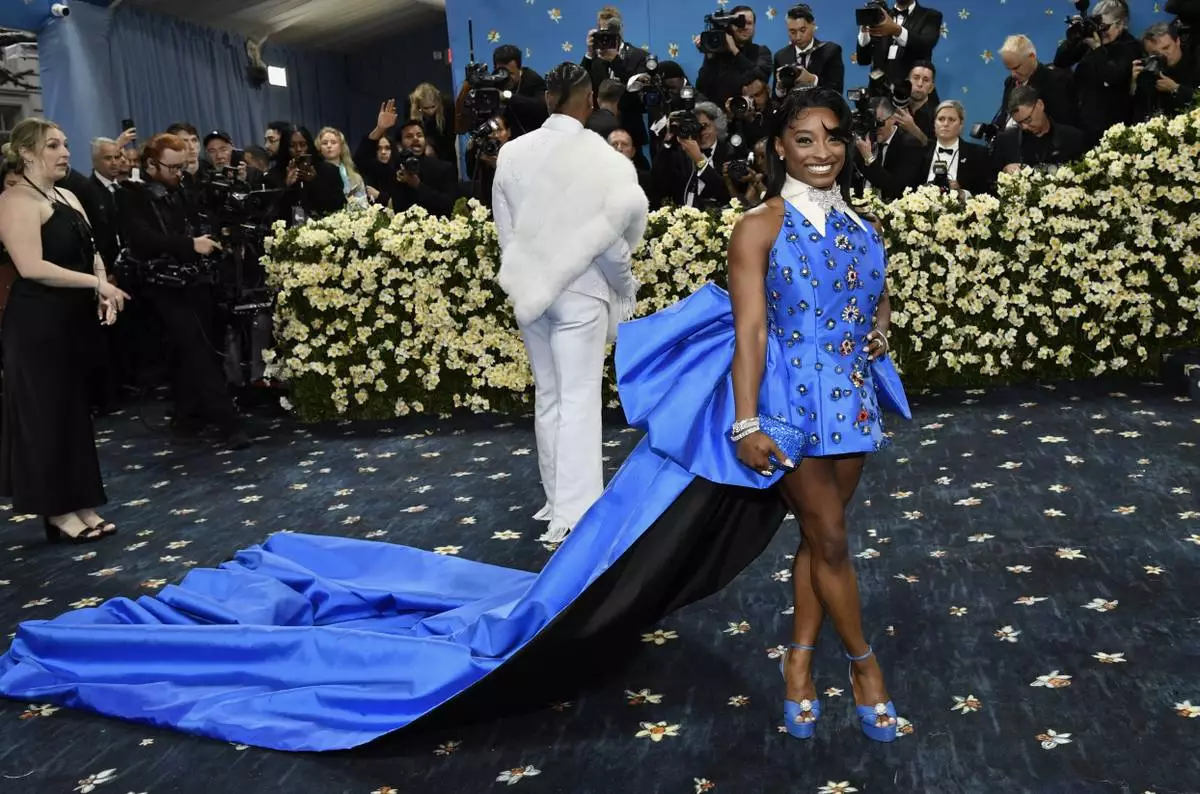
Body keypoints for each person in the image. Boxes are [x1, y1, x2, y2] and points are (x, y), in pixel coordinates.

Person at [0, 92, 909, 755]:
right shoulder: (756, 225)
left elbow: (866, 308)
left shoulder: (863, 231)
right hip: (784, 411)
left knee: (816, 541)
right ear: (777, 147)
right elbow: (749, 327)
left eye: (832, 137)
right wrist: (745, 413)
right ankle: (860, 667)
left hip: (852, 407)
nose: (821, 150)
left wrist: (871, 330)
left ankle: (797, 660)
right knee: (829, 540)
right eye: (803, 137)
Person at [493, 62, 645, 544]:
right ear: (588, 102)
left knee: (550, 395)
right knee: (578, 399)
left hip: (532, 290)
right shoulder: (600, 157)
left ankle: (555, 501)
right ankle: (575, 515)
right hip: (582, 291)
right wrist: (627, 285)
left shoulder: (512, 153)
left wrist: (523, 279)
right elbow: (610, 240)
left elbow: (505, 232)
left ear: (547, 100)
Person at [0, 118, 130, 544]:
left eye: (66, 143)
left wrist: (102, 290)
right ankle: (56, 510)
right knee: (45, 417)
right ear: (27, 153)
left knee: (74, 415)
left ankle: (81, 501)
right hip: (36, 322)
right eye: (53, 145)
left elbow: (92, 251)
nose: (64, 152)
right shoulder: (15, 200)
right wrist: (97, 284)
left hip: (70, 320)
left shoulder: (68, 195)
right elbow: (32, 267)